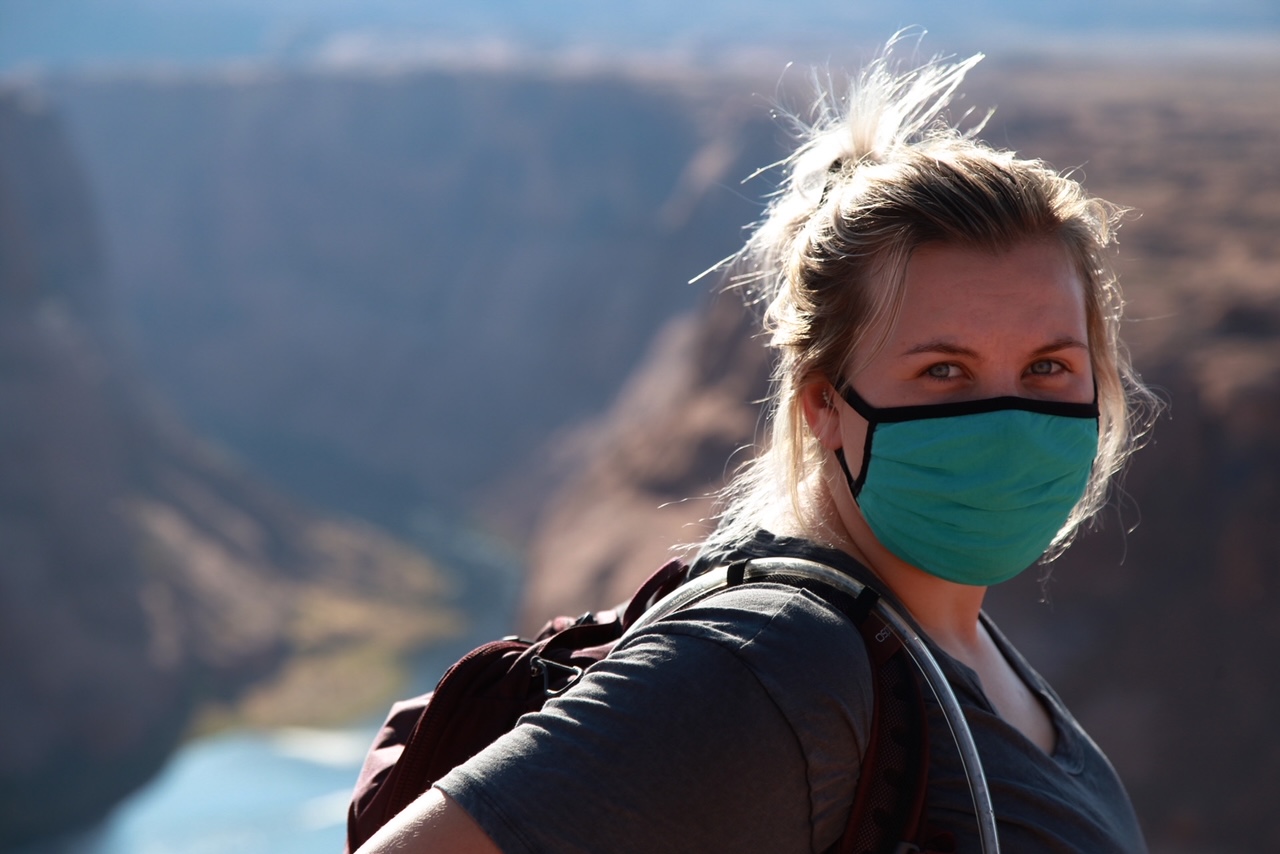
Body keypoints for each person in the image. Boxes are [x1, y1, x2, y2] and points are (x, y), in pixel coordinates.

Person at [356, 40, 1158, 853]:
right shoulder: (772, 667)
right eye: (943, 369)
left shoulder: (962, 647)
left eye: (1049, 366)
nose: (1008, 419)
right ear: (824, 406)